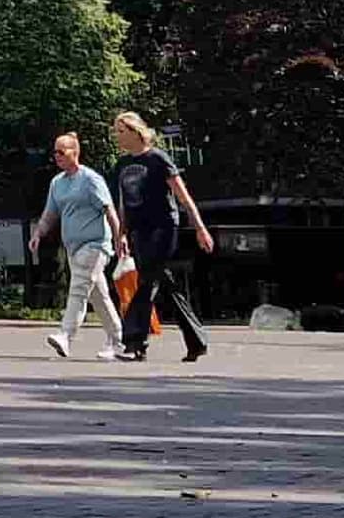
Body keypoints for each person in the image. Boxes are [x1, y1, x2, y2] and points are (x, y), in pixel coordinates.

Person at [106, 112, 214, 364]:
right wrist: (121, 234)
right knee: (163, 282)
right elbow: (124, 203)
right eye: (116, 131)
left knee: (147, 281)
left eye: (121, 131)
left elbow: (183, 196)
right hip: (138, 230)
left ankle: (134, 341)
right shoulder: (122, 165)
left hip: (163, 227)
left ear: (136, 132)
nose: (117, 136)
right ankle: (197, 341)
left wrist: (200, 228)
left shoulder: (158, 159)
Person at [28, 131, 123, 362]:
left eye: (61, 152)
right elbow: (50, 214)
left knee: (79, 288)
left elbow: (109, 209)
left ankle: (65, 335)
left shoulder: (91, 179)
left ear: (75, 152)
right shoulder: (57, 183)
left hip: (96, 245)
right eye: (55, 152)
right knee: (98, 296)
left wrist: (120, 238)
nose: (57, 156)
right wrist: (38, 233)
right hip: (73, 248)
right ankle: (119, 339)